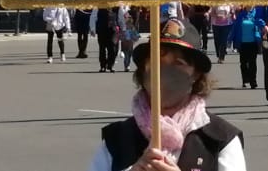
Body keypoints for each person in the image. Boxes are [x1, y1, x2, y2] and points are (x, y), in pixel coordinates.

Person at [86, 24, 247, 171]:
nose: (164, 71)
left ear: (196, 74)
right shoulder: (116, 139)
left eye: (178, 63)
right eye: (157, 61)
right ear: (143, 70)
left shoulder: (220, 139)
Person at [234, 6, 261, 89]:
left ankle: (253, 81)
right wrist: (232, 40)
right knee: (243, 63)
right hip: (242, 43)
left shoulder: (257, 13)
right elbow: (235, 28)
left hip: (253, 42)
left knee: (252, 63)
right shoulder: (241, 15)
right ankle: (245, 80)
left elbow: (261, 25)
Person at [94, 6, 120, 73]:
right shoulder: (99, 6)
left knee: (112, 49)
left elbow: (120, 18)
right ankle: (103, 66)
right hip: (101, 30)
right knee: (102, 48)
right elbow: (93, 17)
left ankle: (110, 65)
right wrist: (92, 29)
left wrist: (123, 28)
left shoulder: (117, 6)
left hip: (113, 31)